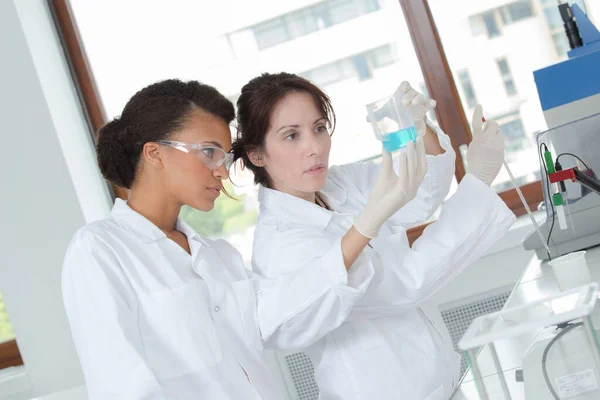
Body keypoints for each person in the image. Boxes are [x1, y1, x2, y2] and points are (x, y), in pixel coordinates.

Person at [61, 79, 377, 399]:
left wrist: (362, 229)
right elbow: (119, 383)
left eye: (223, 157)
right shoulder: (99, 250)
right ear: (155, 154)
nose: (223, 172)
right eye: (208, 152)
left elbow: (281, 315)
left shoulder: (220, 256)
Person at [231, 72, 517, 400]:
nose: (314, 147)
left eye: (319, 128)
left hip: (441, 385)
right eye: (291, 136)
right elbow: (406, 283)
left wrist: (420, 128)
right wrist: (478, 179)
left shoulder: (338, 183)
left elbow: (421, 195)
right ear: (257, 155)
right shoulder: (281, 244)